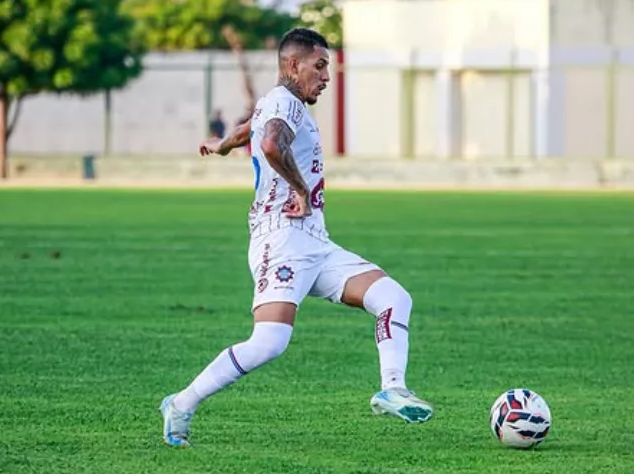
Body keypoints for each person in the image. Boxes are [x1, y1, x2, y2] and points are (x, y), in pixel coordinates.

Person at [159, 28, 433, 447]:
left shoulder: (280, 103)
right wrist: (302, 191)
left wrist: (223, 145)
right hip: (282, 237)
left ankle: (392, 389)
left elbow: (252, 130)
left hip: (315, 242)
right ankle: (181, 402)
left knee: (394, 297)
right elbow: (269, 143)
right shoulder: (284, 101)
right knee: (269, 341)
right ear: (292, 65)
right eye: (319, 66)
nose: (326, 76)